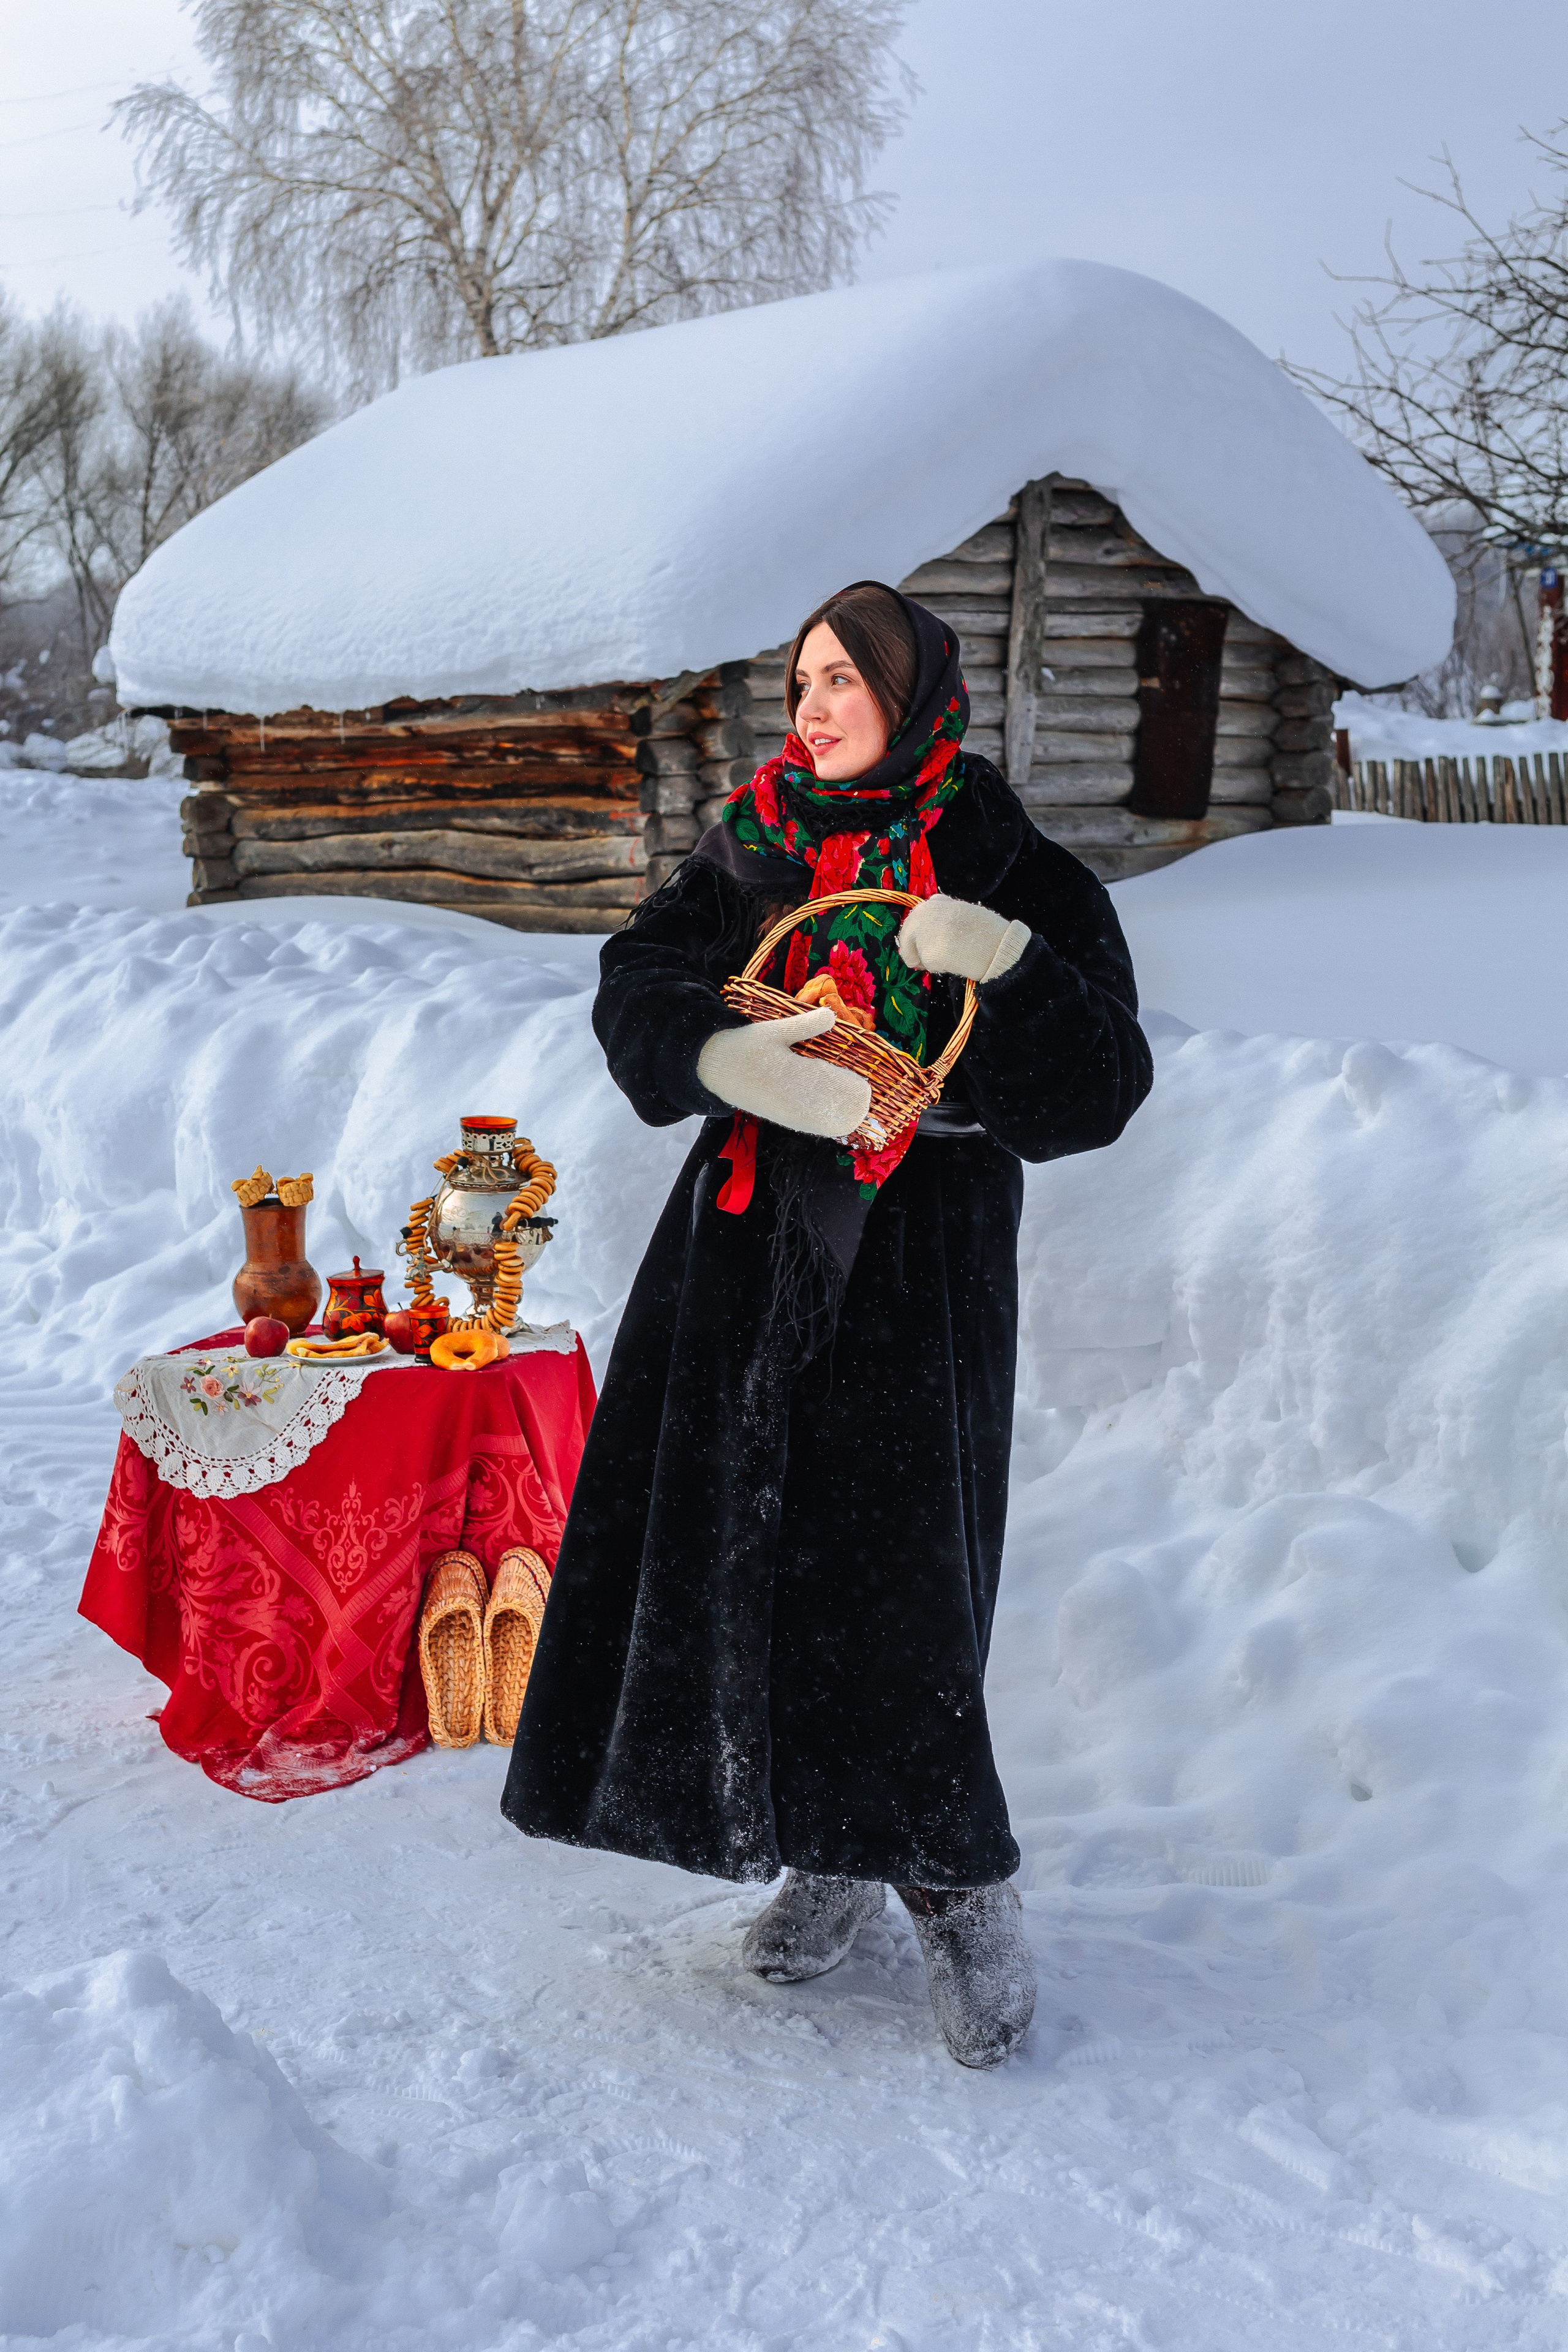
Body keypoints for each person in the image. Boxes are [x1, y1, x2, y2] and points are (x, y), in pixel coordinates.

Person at [503, 582, 1152, 2065]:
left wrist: (1012, 971)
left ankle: (954, 1880)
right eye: (801, 676)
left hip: (916, 1264)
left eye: (841, 679)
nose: (811, 704)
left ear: (916, 695)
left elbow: (1100, 1091)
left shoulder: (1004, 861)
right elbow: (636, 985)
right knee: (738, 1547)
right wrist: (726, 1056)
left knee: (893, 1574)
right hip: (741, 1246)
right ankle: (829, 1849)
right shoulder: (753, 841)